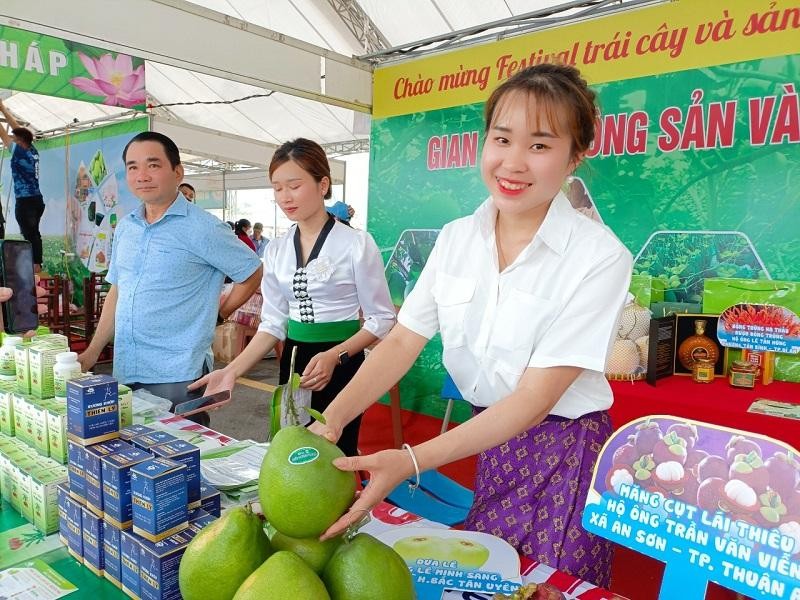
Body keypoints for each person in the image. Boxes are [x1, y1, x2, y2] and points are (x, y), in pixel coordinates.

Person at [310, 64, 633, 587]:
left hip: (566, 454)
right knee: (491, 579)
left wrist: (410, 459)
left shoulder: (600, 258)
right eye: (501, 139)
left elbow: (533, 401)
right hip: (489, 441)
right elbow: (402, 340)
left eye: (540, 145)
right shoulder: (458, 237)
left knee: (548, 586)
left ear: (576, 156)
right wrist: (333, 419)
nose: (513, 162)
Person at [190, 138, 396, 456]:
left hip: (342, 362)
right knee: (292, 450)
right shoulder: (276, 249)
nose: (285, 197)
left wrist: (336, 355)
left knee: (334, 453)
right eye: (277, 188)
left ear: (322, 183)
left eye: (294, 185)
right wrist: (231, 370)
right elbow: (273, 323)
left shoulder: (356, 244)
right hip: (295, 361)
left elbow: (382, 318)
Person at [77, 131, 263, 425]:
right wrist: (93, 351)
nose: (142, 175)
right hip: (127, 367)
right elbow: (118, 290)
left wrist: (220, 313)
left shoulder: (203, 228)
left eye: (153, 165)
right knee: (132, 454)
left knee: (179, 461)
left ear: (178, 172)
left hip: (179, 374)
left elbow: (252, 271)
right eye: (133, 167)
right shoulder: (126, 227)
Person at [0, 99, 44, 272]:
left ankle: (34, 268)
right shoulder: (32, 151)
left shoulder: (20, 153)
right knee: (34, 234)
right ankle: (36, 265)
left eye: (15, 139)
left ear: (21, 142)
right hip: (37, 200)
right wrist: (2, 109)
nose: (12, 141)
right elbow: (18, 129)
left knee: (30, 235)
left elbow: (3, 135)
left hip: (26, 202)